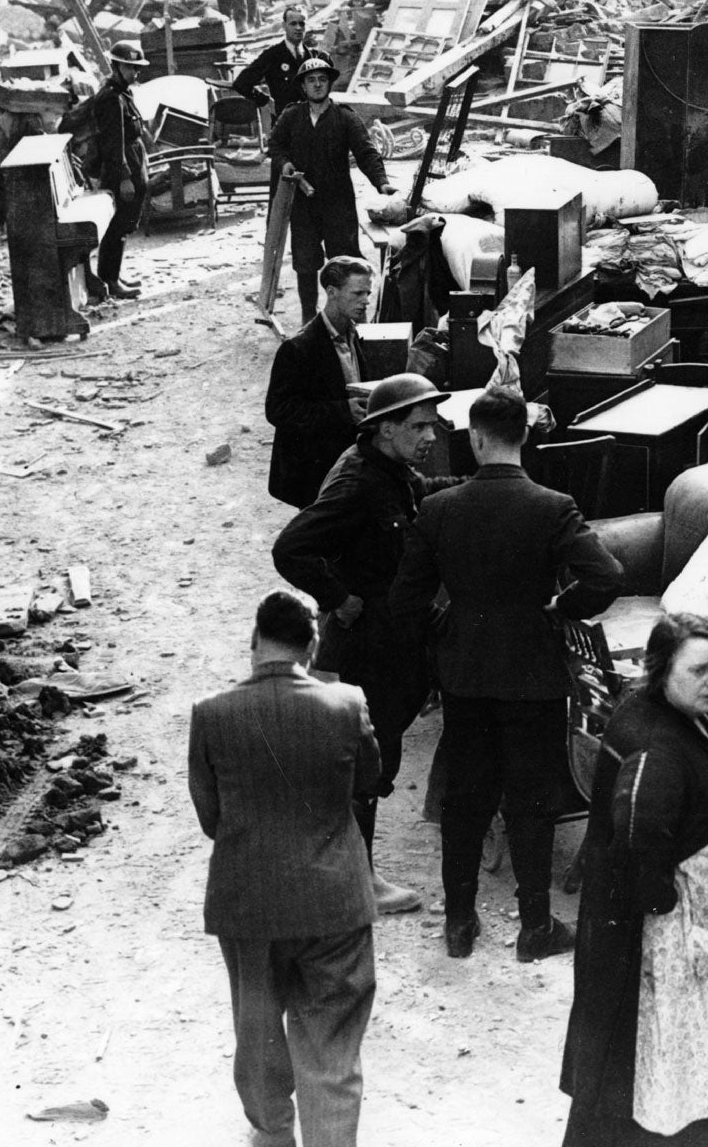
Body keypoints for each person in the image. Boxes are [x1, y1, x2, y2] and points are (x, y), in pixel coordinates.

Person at [389, 386, 626, 960]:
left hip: (466, 676)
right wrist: (559, 607)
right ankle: (535, 927)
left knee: (466, 800)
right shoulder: (553, 506)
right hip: (534, 677)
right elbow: (607, 577)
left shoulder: (438, 509)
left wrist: (444, 630)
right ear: (525, 436)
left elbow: (404, 601)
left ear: (472, 439)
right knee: (533, 800)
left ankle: (460, 924)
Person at [560, 613, 708, 1147]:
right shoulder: (656, 748)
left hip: (707, 946)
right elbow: (638, 835)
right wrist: (678, 909)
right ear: (662, 668)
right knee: (668, 1092)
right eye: (699, 670)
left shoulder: (676, 715)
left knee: (688, 1087)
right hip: (684, 953)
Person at [188, 589, 380, 1147]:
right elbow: (369, 779)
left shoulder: (211, 712)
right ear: (312, 646)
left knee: (258, 1027)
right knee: (332, 1044)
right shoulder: (347, 703)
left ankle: (272, 1133)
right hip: (334, 901)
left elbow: (210, 816)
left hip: (248, 900)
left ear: (252, 644)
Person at [272, 370, 462, 916]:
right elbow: (291, 549)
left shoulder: (387, 469)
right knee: (363, 759)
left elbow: (413, 497)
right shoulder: (358, 482)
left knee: (359, 759)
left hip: (379, 643)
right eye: (420, 426)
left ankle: (341, 873)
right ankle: (360, 885)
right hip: (363, 647)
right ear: (385, 430)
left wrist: (469, 488)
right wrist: (342, 598)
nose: (432, 436)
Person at [267, 56, 390, 322]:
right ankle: (309, 321)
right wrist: (285, 163)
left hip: (338, 205)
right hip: (303, 205)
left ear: (330, 84)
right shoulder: (291, 115)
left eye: (323, 79)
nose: (317, 85)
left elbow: (366, 152)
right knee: (305, 264)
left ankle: (352, 322)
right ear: (303, 86)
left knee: (346, 265)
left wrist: (382, 182)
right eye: (311, 80)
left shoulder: (344, 117)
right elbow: (274, 146)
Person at [263, 257, 377, 508]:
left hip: (346, 463)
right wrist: (343, 411)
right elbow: (278, 410)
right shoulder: (298, 348)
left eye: (368, 293)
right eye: (357, 293)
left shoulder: (353, 334)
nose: (366, 300)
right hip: (315, 471)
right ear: (332, 292)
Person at [89, 41, 152, 302]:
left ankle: (113, 275)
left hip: (134, 159)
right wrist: (124, 178)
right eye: (130, 68)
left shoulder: (123, 93)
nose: (136, 73)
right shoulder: (110, 98)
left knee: (124, 225)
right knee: (117, 227)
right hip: (122, 165)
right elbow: (113, 143)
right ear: (116, 66)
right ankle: (109, 280)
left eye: (138, 68)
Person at [233, 6, 328, 123]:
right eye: (293, 24)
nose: (298, 28)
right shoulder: (272, 55)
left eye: (302, 24)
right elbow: (241, 83)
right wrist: (265, 101)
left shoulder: (316, 57)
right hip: (285, 126)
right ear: (284, 26)